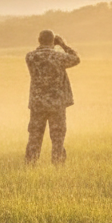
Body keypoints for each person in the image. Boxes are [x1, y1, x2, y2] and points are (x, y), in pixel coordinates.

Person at [25, 30, 80, 165]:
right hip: (57, 103)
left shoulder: (30, 56)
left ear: (39, 40)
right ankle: (58, 165)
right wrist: (63, 45)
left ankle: (31, 164)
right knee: (57, 138)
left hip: (37, 103)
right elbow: (76, 59)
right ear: (53, 41)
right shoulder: (59, 56)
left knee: (34, 137)